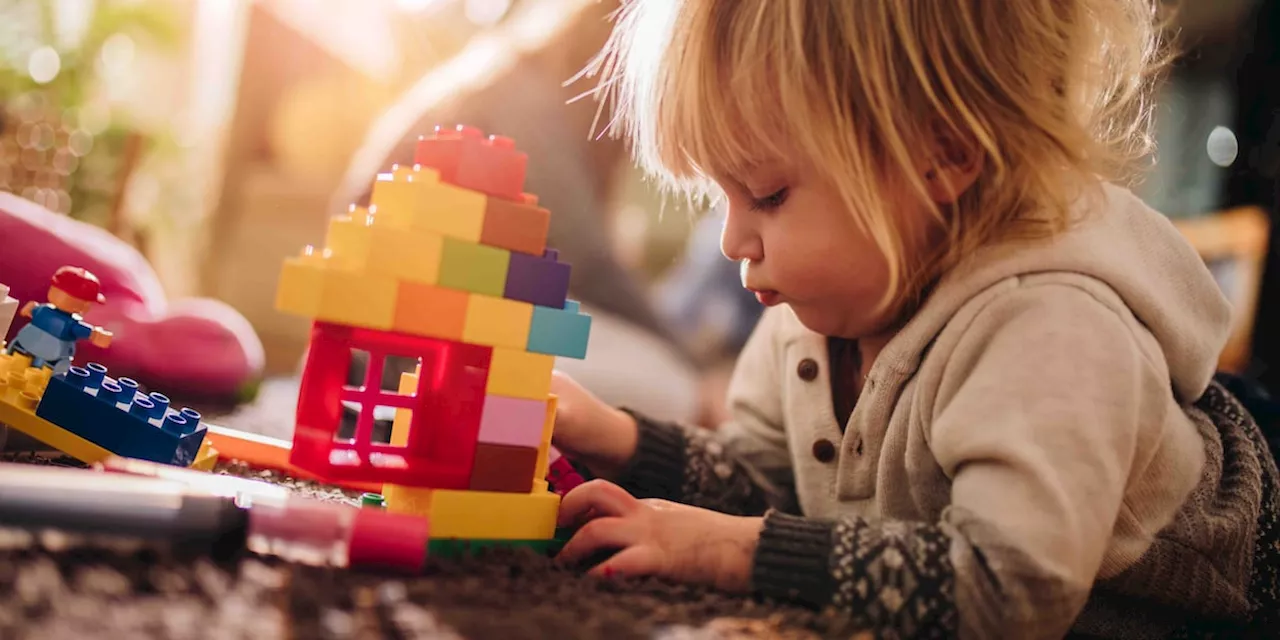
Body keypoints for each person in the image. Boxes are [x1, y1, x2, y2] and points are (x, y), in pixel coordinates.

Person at [547, 1, 1280, 637]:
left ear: (945, 154)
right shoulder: (813, 317)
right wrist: (620, 438)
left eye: (768, 195)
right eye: (721, 196)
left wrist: (729, 551)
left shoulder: (1051, 325)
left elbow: (1008, 590)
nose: (734, 241)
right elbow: (775, 489)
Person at [5, 265, 113, 375]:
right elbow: (88, 333)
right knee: (41, 370)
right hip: (50, 356)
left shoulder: (42, 309)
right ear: (84, 304)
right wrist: (96, 335)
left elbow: (28, 310)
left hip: (25, 342)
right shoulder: (71, 324)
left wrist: (30, 308)